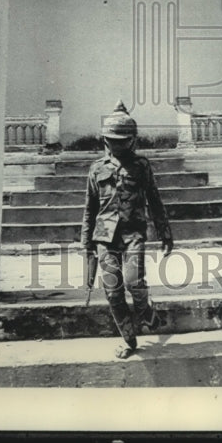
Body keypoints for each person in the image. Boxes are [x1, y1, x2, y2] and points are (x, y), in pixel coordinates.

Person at [80, 100, 174, 359]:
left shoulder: (141, 166)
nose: (118, 144)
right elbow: (89, 207)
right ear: (105, 141)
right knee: (113, 291)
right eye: (113, 140)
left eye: (123, 140)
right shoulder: (96, 168)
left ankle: (145, 312)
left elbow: (155, 200)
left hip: (133, 233)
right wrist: (85, 242)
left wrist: (165, 233)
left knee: (134, 281)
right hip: (104, 237)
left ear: (132, 140)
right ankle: (129, 339)